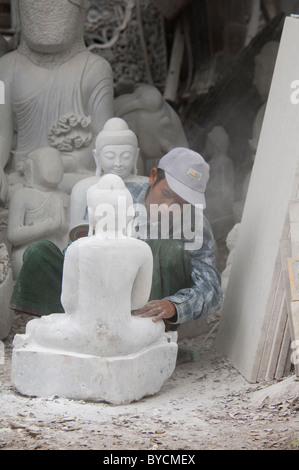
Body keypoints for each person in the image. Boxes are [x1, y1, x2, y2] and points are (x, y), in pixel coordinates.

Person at [10, 147, 222, 328]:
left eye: (182, 203)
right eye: (166, 195)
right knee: (40, 253)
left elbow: (211, 288)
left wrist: (174, 306)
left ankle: (141, 329)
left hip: (147, 306)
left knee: (168, 248)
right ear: (153, 176)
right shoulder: (113, 195)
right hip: (95, 291)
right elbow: (77, 252)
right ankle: (74, 324)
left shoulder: (195, 224)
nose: (170, 208)